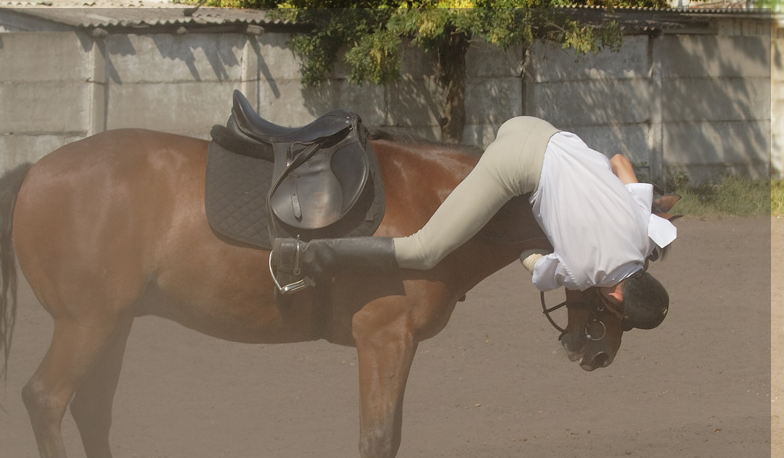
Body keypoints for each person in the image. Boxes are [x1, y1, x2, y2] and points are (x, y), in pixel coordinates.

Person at [271, 116, 677, 331]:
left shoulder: (644, 233)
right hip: (517, 162)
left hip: (540, 128)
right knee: (424, 250)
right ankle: (311, 254)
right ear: (619, 299)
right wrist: (535, 248)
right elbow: (533, 262)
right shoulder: (586, 270)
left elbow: (620, 161)